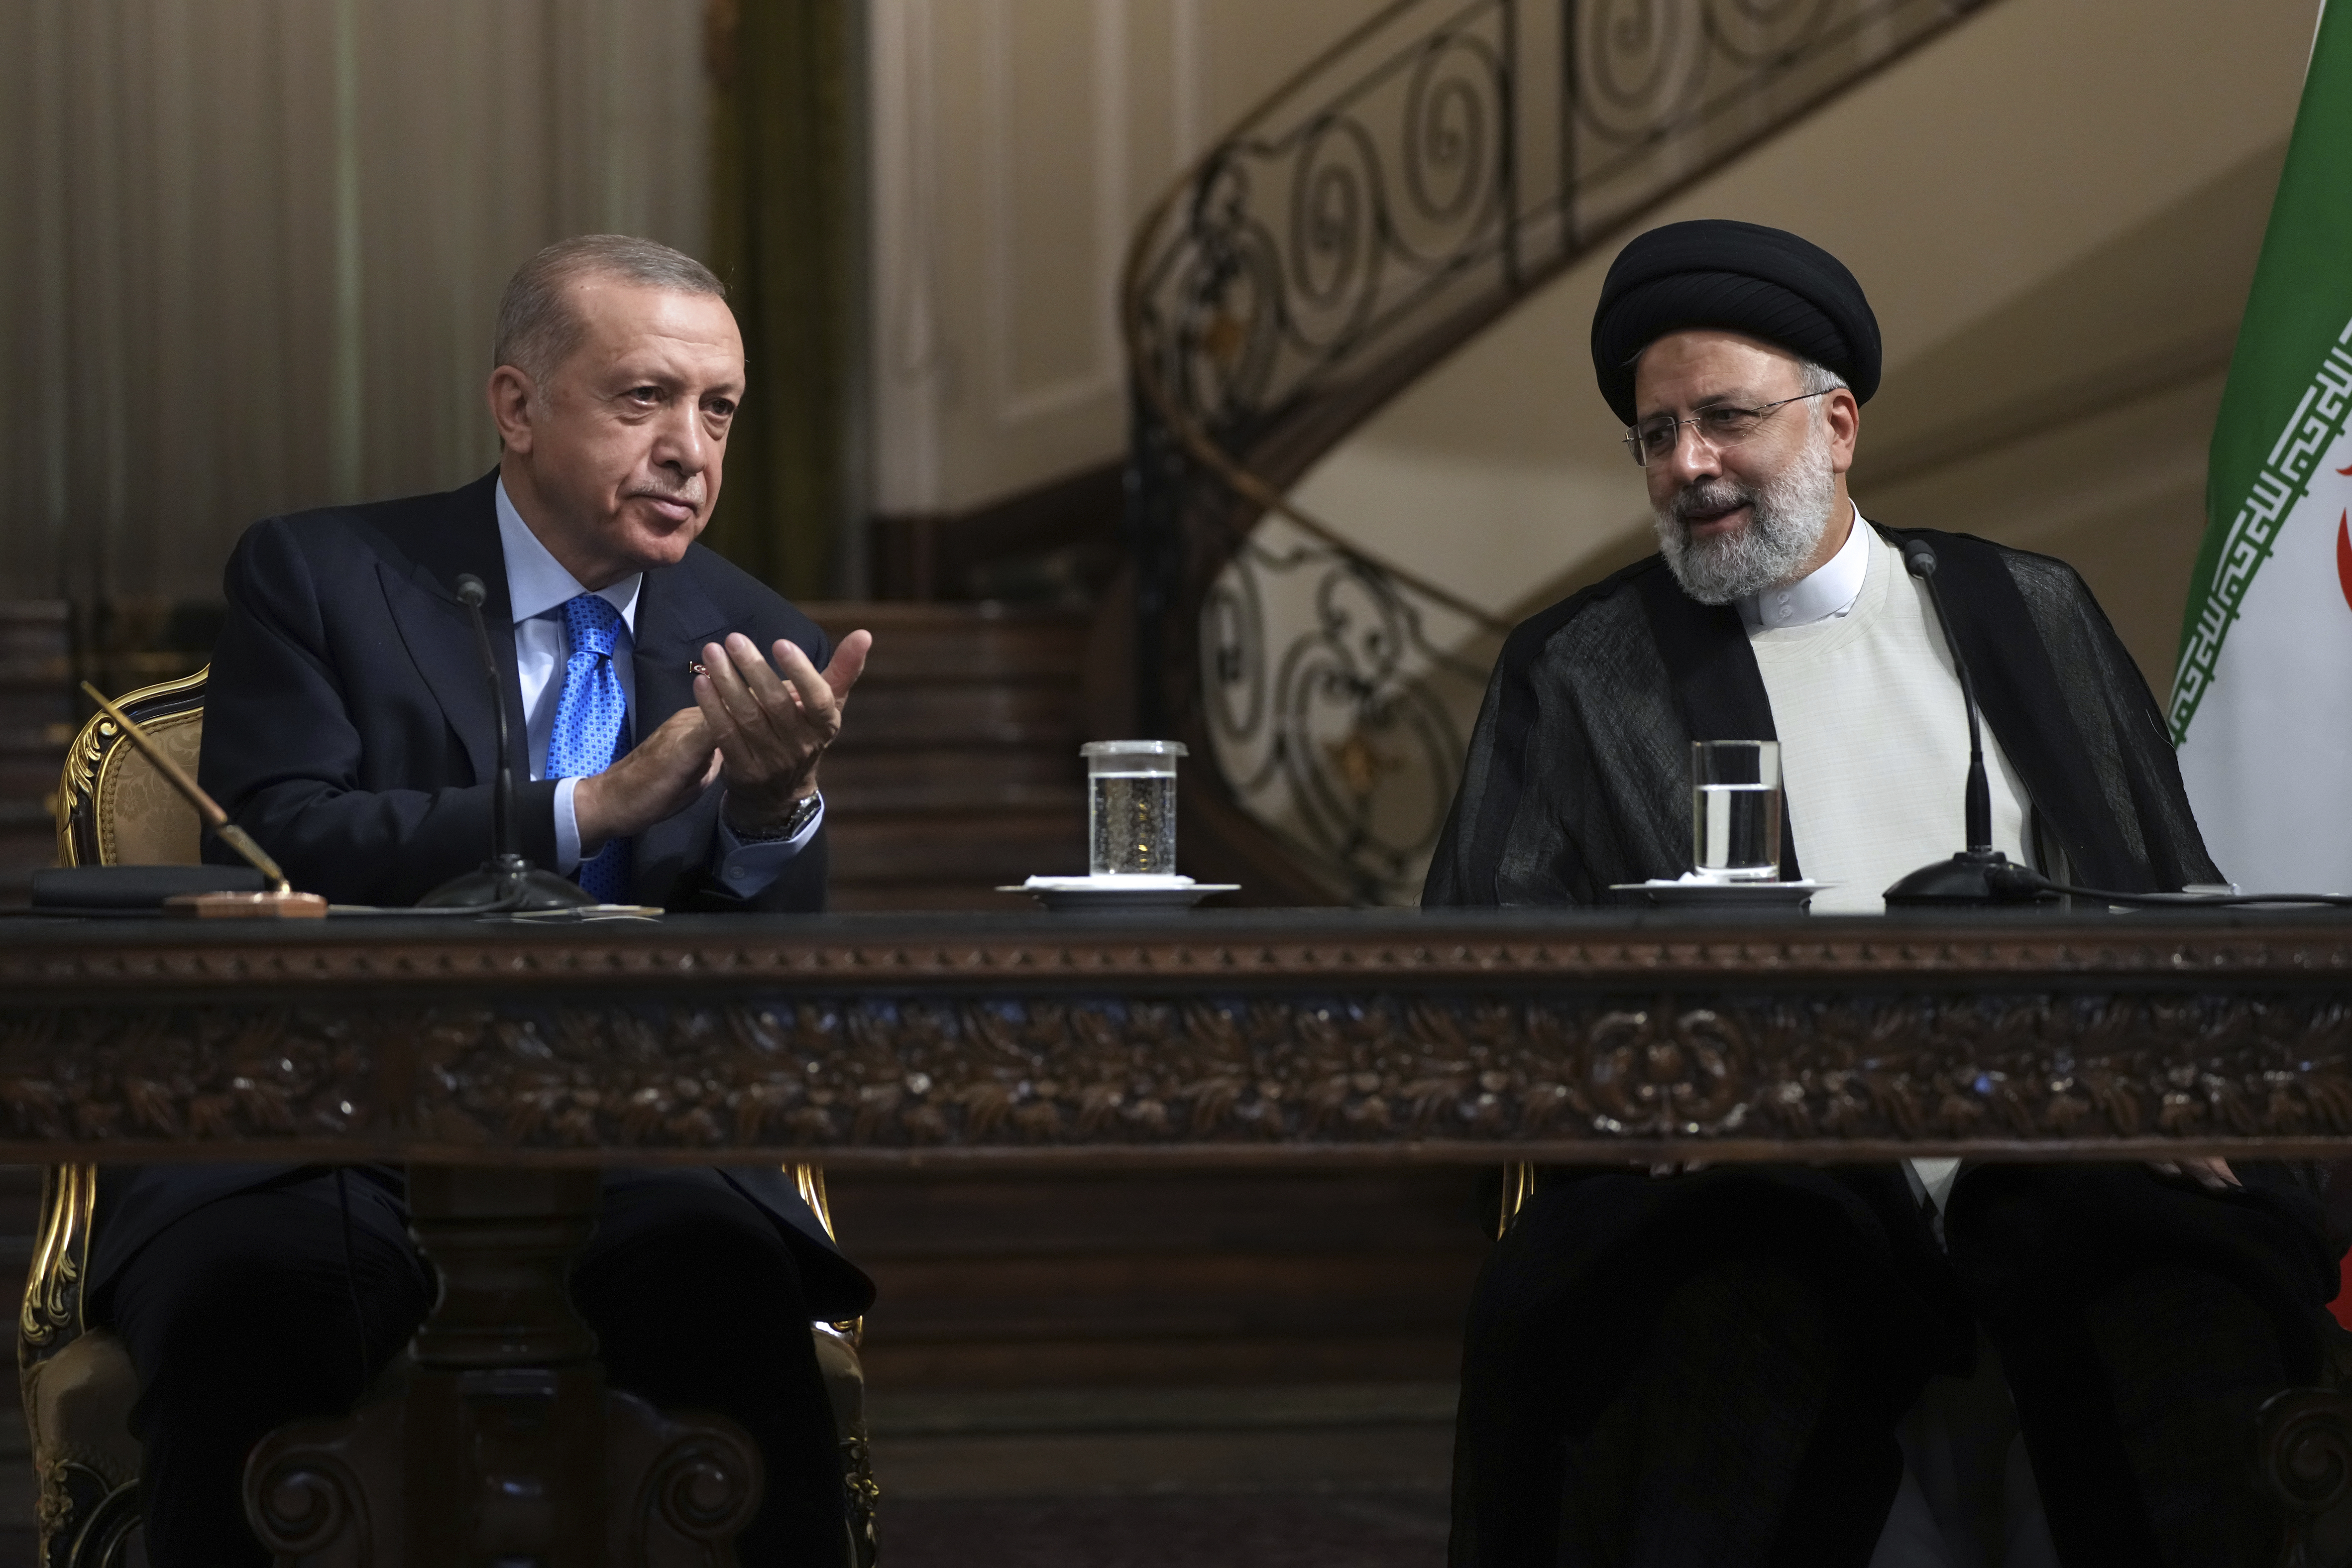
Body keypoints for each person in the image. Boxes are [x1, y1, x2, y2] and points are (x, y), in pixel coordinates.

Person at [1426, 220, 2341, 1568]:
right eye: (1656, 434)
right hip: (1754, 1168)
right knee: (1711, 1322)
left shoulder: (2028, 613)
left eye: (1725, 419)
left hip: (2050, 1143)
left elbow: (2172, 906)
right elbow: (1481, 972)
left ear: (1837, 423)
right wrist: (1631, 1102)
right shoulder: (1578, 668)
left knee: (2187, 1301)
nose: (1689, 465)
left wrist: (2176, 1095)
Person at [90, 235, 876, 1566]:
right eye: (644, 399)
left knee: (728, 1306)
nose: (691, 447)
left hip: (627, 1135)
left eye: (718, 408)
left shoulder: (751, 632)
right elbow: (280, 844)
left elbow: (771, 995)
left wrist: (768, 812)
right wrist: (595, 807)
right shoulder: (324, 577)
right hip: (324, 1126)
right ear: (518, 407)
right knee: (251, 1310)